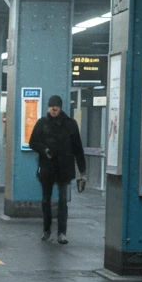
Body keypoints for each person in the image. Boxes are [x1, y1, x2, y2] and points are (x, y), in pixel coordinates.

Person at [28, 95, 86, 244]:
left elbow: (78, 148)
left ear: (60, 108)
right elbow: (33, 142)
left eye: (56, 107)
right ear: (48, 107)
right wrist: (44, 150)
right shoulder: (42, 123)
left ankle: (61, 233)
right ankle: (47, 229)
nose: (53, 109)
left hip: (64, 167)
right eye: (51, 106)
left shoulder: (70, 124)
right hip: (48, 167)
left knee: (62, 200)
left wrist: (82, 172)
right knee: (46, 200)